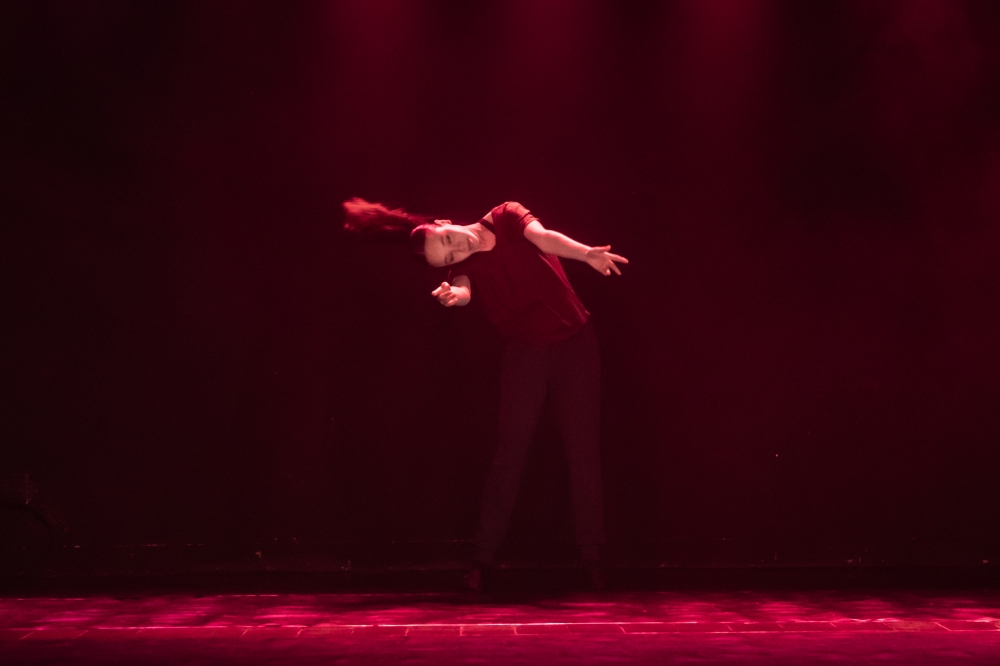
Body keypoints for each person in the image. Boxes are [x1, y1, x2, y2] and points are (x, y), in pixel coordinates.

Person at [343, 198, 627, 590]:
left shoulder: (507, 215)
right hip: (526, 352)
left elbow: (544, 238)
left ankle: (592, 555)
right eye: (448, 258)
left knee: (583, 450)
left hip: (575, 342)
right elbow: (463, 290)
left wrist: (586, 254)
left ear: (445, 221)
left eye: (448, 240)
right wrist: (455, 297)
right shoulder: (465, 267)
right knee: (510, 453)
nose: (456, 250)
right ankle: (483, 556)